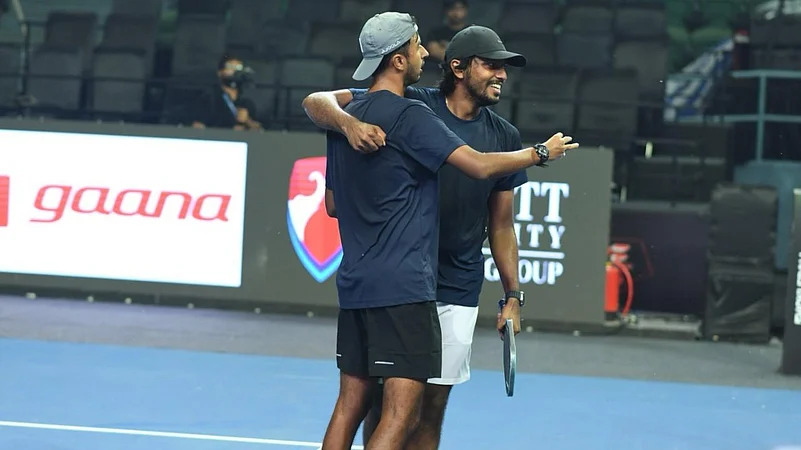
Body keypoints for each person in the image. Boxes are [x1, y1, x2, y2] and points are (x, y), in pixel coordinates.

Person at [305, 23, 579, 450]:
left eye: (504, 68)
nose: (502, 75)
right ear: (458, 67)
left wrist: (512, 296)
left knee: (425, 408)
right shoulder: (412, 104)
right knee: (385, 407)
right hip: (408, 284)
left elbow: (502, 226)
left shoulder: (502, 135)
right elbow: (318, 101)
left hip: (452, 285)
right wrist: (346, 125)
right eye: (491, 65)